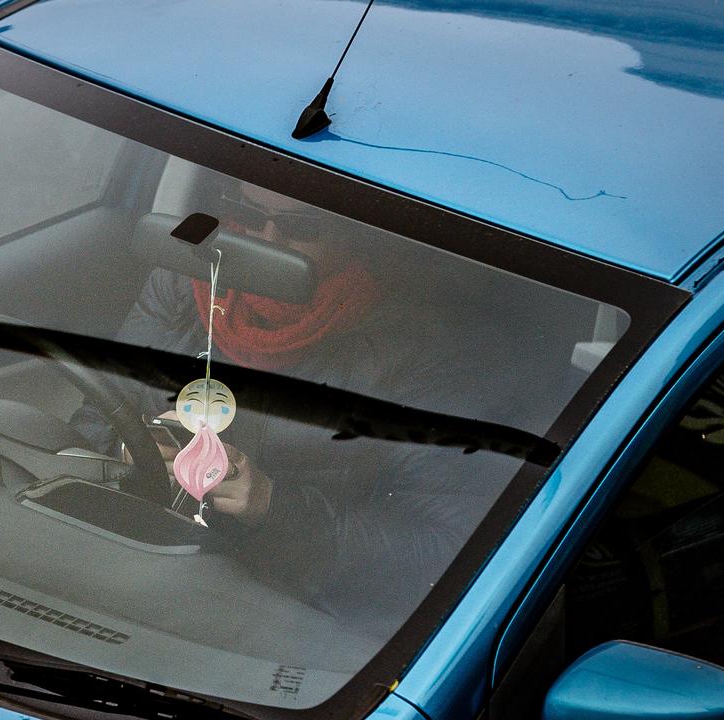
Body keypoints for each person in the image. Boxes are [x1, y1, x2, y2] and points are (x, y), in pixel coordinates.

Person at [73, 182, 492, 623]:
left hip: (288, 608)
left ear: (355, 236)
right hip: (149, 556)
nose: (267, 241)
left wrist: (273, 506)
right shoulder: (183, 282)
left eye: (300, 228)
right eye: (250, 217)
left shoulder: (417, 355)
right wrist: (133, 448)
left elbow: (438, 555)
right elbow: (96, 414)